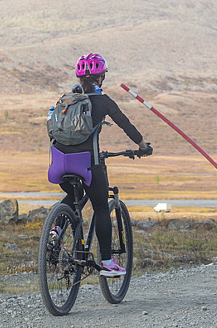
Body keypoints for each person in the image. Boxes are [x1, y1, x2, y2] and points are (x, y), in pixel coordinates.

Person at [51, 53, 150, 277]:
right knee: (101, 207)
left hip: (59, 163)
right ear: (100, 78)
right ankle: (107, 262)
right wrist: (143, 146)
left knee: (72, 195)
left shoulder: (65, 100)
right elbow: (126, 125)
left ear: (79, 78)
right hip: (88, 164)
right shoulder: (103, 101)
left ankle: (56, 228)